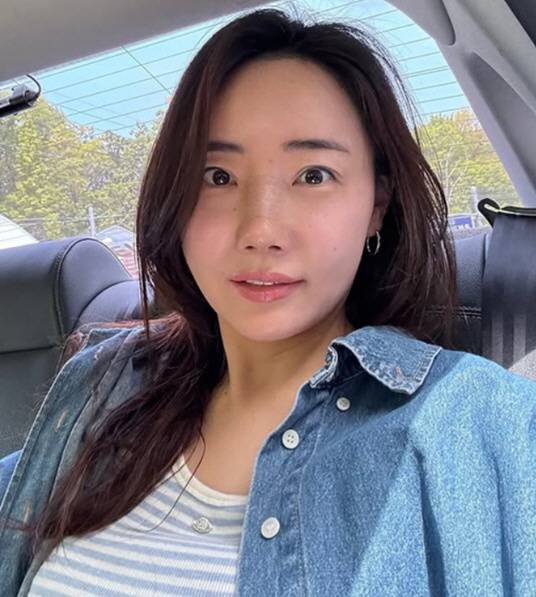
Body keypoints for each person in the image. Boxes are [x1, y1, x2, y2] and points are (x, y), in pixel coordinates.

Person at [1, 7, 535, 596]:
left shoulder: (481, 422)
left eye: (314, 175)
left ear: (376, 205)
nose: (260, 230)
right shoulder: (103, 385)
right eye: (217, 177)